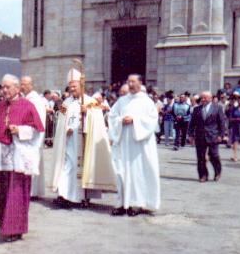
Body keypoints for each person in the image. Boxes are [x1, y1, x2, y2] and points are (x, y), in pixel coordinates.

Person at [0, 74, 44, 242]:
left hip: (19, 154)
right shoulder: (0, 106)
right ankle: (5, 226)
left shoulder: (27, 106)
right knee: (0, 189)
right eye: (2, 87)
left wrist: (20, 130)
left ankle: (15, 229)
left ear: (17, 88)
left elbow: (37, 131)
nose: (4, 90)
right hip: (1, 154)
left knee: (16, 193)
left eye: (8, 87)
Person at [50, 69, 111, 207]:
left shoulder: (91, 101)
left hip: (84, 141)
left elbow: (98, 119)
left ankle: (83, 197)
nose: (72, 89)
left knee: (83, 169)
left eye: (74, 87)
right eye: (70, 87)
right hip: (70, 141)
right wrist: (66, 128)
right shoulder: (66, 103)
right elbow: (61, 119)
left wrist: (87, 112)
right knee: (67, 167)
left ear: (81, 86)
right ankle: (64, 195)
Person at [108, 74, 160, 216]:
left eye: (133, 81)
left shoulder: (147, 101)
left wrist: (135, 120)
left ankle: (137, 203)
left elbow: (152, 120)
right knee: (121, 172)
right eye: (128, 81)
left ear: (140, 83)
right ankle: (121, 203)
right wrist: (120, 120)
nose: (130, 84)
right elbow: (112, 116)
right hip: (124, 143)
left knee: (138, 173)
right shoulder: (122, 101)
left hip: (139, 145)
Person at [187, 91, 226, 182]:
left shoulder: (217, 108)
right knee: (200, 157)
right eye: (202, 98)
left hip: (213, 135)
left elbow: (222, 123)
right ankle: (203, 175)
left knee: (214, 155)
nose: (203, 100)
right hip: (200, 136)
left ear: (210, 98)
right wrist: (190, 135)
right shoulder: (197, 109)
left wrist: (221, 135)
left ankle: (217, 172)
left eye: (205, 98)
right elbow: (192, 123)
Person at [20, 76, 48, 200]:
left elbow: (39, 121)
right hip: (25, 135)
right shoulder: (25, 99)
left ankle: (32, 191)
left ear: (31, 85)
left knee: (32, 162)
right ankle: (28, 190)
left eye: (25, 84)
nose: (22, 86)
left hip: (33, 137)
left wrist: (27, 132)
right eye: (21, 84)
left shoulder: (36, 100)